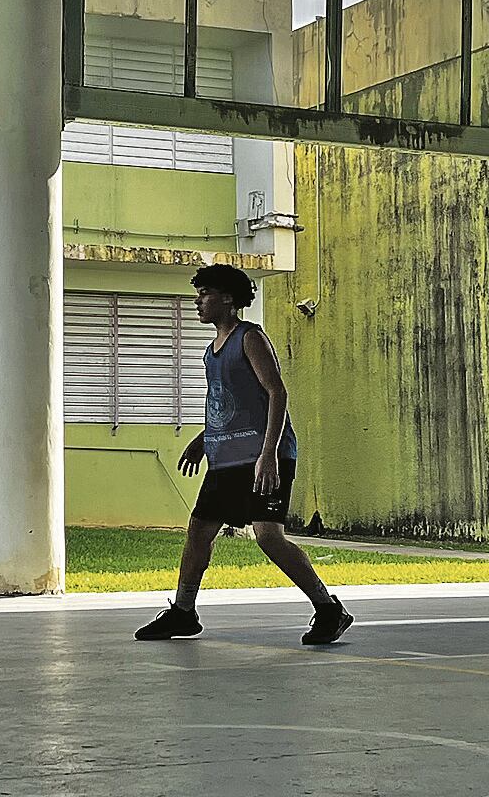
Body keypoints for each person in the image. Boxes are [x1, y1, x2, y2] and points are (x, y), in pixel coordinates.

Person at [134, 263, 351, 647]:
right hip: (226, 457)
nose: (198, 301)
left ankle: (328, 608)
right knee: (200, 530)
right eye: (197, 294)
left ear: (228, 299)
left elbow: (276, 393)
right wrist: (204, 438)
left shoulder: (249, 338)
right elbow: (231, 404)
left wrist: (268, 456)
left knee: (268, 536)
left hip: (263, 456)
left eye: (205, 294)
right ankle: (183, 612)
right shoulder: (210, 351)